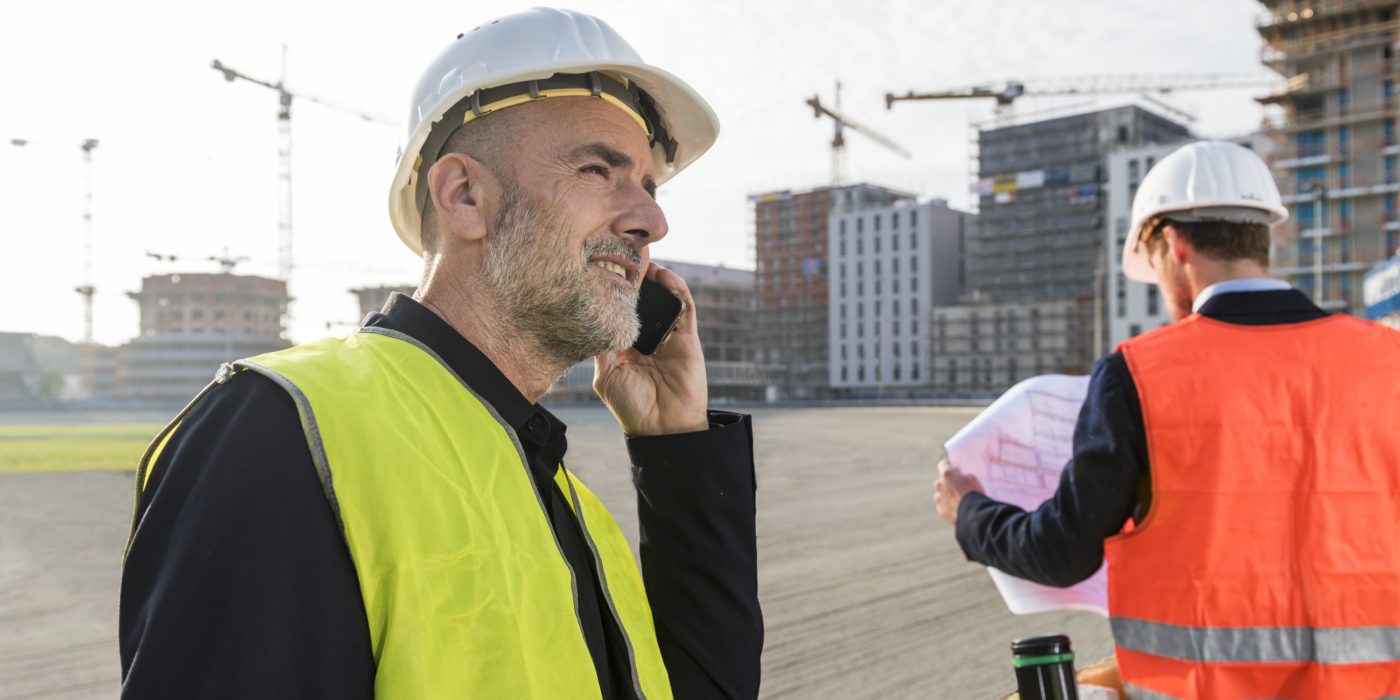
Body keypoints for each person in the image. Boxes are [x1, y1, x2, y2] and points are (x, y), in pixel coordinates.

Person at [119, 9, 762, 699]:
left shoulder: (555, 492)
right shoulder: (278, 431)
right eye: (599, 169)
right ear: (464, 196)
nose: (652, 221)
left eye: (649, 188)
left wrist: (680, 453)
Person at [934, 140, 1400, 698]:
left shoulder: (1138, 374)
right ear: (1262, 238)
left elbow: (1061, 552)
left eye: (1151, 264)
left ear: (1172, 245)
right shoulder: (1386, 359)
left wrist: (971, 513)